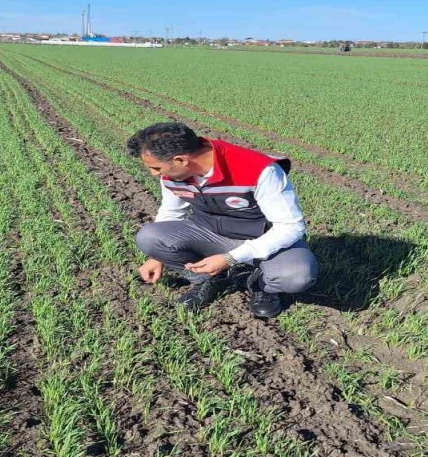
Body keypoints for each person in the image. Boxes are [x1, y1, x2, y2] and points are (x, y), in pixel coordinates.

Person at [128, 122, 318, 318]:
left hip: (260, 236)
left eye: (156, 168)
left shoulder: (259, 170)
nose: (154, 173)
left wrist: (229, 258)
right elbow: (171, 212)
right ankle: (210, 279)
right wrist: (156, 257)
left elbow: (291, 227)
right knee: (149, 237)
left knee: (297, 275)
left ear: (180, 160)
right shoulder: (173, 173)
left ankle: (262, 286)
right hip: (208, 231)